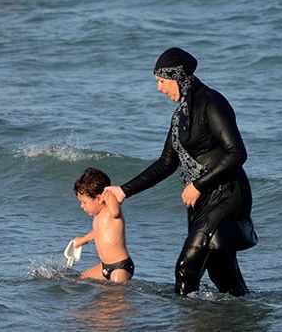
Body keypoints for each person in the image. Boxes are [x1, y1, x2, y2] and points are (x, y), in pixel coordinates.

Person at [105, 47, 257, 297]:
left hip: (226, 195)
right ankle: (245, 318)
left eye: (161, 81)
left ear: (177, 77)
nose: (159, 89)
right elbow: (166, 163)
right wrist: (123, 191)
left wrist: (197, 185)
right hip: (202, 200)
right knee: (222, 272)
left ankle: (183, 321)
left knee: (186, 268)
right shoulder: (180, 116)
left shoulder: (212, 103)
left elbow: (237, 153)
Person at [71, 167, 134, 283]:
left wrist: (109, 194)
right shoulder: (98, 216)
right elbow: (98, 233)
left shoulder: (111, 211)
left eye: (84, 202)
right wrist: (82, 240)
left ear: (99, 198)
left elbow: (116, 212)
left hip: (120, 267)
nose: (82, 206)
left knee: (114, 296)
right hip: (104, 267)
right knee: (80, 279)